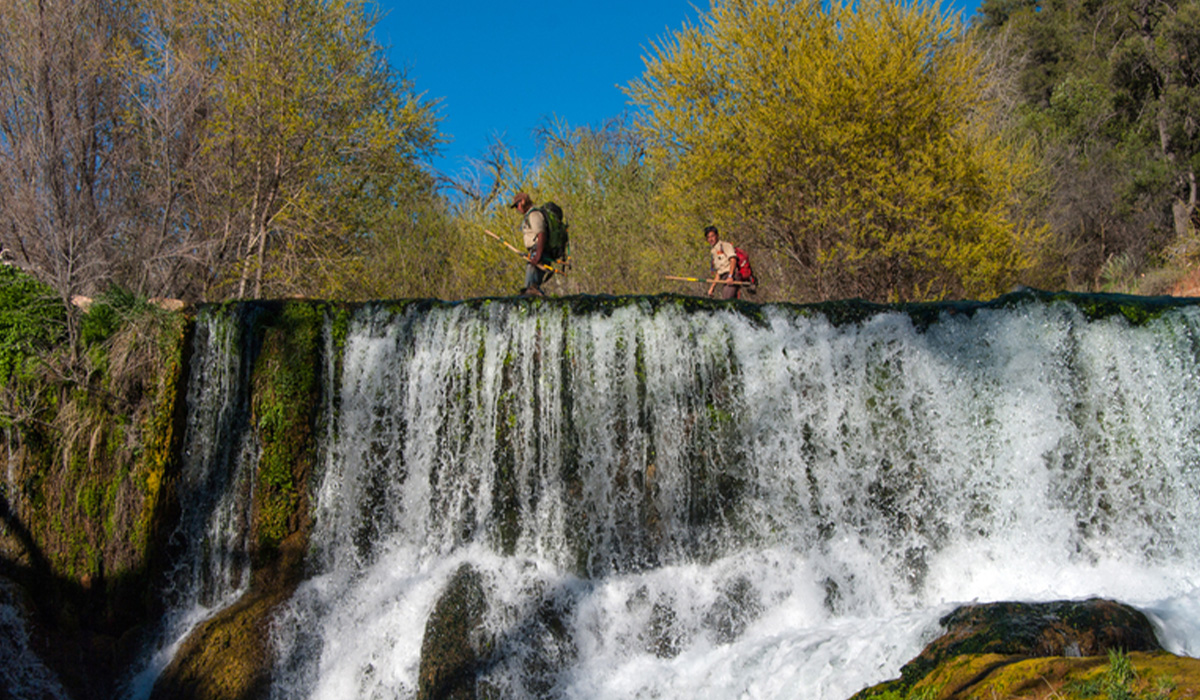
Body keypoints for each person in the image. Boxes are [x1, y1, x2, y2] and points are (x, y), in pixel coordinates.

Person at [510, 191, 550, 296]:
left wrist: (537, 256)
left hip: (538, 253)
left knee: (530, 290)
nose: (517, 209)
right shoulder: (529, 216)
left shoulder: (534, 214)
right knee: (531, 289)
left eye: (517, 205)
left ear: (523, 201)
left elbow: (541, 234)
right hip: (535, 253)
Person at [705, 225, 742, 300]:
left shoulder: (725, 246)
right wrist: (712, 288)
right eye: (708, 237)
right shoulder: (714, 251)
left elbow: (733, 260)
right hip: (724, 279)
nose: (711, 239)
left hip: (731, 278)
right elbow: (719, 272)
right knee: (730, 304)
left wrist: (730, 276)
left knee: (726, 302)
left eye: (712, 236)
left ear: (717, 236)